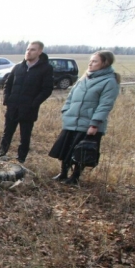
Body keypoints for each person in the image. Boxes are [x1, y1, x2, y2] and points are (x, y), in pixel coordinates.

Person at [49, 50, 120, 185]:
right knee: (65, 148)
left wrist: (94, 124)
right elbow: (70, 97)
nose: (90, 64)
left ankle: (74, 177)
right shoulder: (85, 78)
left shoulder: (110, 81)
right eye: (90, 61)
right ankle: (63, 173)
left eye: (95, 61)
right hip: (72, 120)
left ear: (105, 63)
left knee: (81, 152)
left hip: (88, 123)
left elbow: (105, 105)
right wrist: (66, 110)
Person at [0, 41, 54, 163]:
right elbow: (8, 84)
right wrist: (7, 99)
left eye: (33, 49)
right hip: (13, 107)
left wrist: (33, 104)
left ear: (39, 52)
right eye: (27, 49)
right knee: (7, 133)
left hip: (29, 109)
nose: (29, 52)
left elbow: (47, 90)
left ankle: (21, 159)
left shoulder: (46, 69)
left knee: (25, 136)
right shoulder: (18, 67)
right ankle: (0, 154)